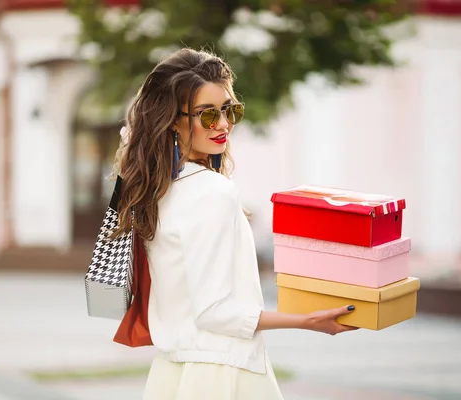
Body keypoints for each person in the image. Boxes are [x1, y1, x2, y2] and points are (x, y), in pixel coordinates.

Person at [111, 48, 357, 400]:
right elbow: (216, 313)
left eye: (229, 110)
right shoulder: (212, 191)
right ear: (173, 121)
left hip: (172, 373)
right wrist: (307, 321)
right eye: (208, 115)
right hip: (222, 375)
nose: (224, 124)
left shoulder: (153, 192)